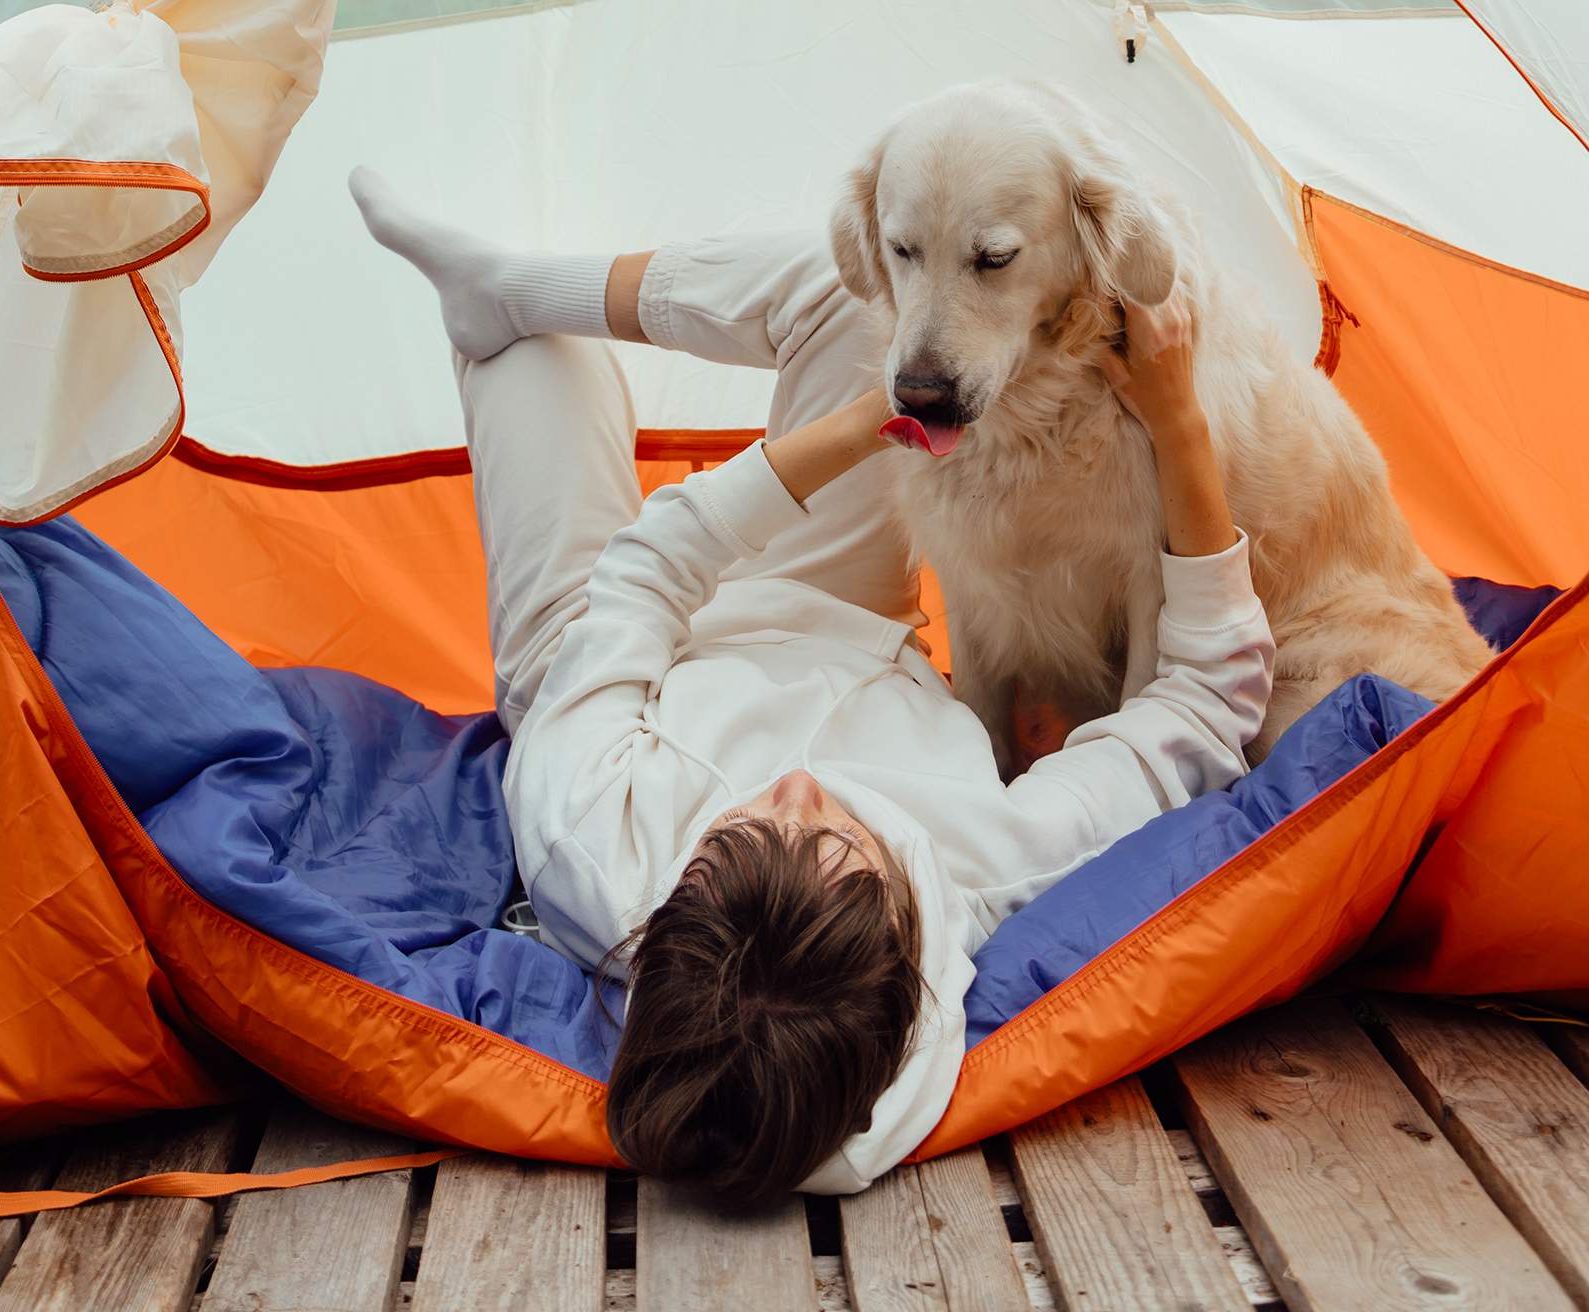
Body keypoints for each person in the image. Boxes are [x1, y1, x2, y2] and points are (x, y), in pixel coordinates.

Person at [349, 168, 1274, 1203]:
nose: (791, 791)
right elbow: (1206, 699)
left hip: (591, 652)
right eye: (832, 843)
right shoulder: (999, 866)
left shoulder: (587, 842)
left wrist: (844, 435)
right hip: (835, 614)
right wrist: (1179, 413)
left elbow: (644, 577)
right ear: (904, 926)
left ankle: (510, 293)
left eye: (734, 838)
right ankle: (522, 290)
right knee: (871, 295)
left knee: (524, 355)